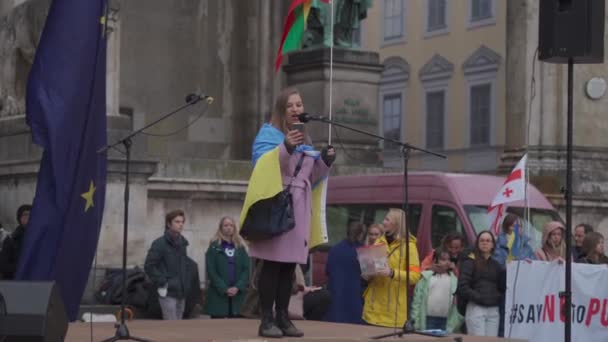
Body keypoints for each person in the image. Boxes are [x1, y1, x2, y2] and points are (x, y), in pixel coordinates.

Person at [241, 87, 335, 338]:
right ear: (282, 110)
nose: (296, 109)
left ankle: (283, 318)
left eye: (299, 105)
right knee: (271, 267)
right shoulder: (268, 136)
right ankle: (266, 319)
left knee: (288, 268)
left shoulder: (305, 141)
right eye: (291, 105)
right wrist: (285, 147)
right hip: (275, 208)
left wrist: (324, 162)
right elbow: (263, 167)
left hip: (298, 209)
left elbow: (309, 178)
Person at [362, 208, 421, 328]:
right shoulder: (378, 241)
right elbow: (367, 275)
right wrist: (367, 271)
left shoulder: (410, 246)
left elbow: (415, 276)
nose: (383, 222)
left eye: (387, 219)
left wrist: (392, 273)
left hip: (394, 314)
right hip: (371, 311)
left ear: (396, 223)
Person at [144, 209, 193, 320]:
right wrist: (163, 282)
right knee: (170, 325)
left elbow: (185, 266)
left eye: (182, 222)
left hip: (182, 292)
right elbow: (149, 266)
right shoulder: (159, 243)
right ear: (168, 224)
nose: (180, 224)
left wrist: (186, 283)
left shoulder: (183, 243)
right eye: (177, 222)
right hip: (168, 292)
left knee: (179, 326)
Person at [457, 231, 506, 337]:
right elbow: (463, 286)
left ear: (493, 244)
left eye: (488, 240)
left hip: (493, 311)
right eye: (482, 240)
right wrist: (479, 298)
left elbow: (502, 287)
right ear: (477, 243)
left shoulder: (497, 266)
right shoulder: (469, 262)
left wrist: (495, 298)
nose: (485, 243)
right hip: (476, 309)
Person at [205, 216, 250, 318]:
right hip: (218, 296)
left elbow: (246, 269)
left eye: (231, 225)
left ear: (234, 228)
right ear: (221, 228)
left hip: (238, 296)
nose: (228, 228)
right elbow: (211, 270)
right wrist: (224, 288)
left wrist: (237, 287)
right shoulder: (214, 247)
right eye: (225, 225)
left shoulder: (240, 247)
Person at [411, 248, 463, 333]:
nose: (446, 262)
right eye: (443, 259)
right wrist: (415, 320)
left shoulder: (454, 280)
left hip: (447, 321)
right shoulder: (426, 278)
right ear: (435, 261)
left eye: (449, 260)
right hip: (428, 319)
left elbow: (458, 302)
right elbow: (417, 301)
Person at [324, 221, 365, 324]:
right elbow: (367, 276)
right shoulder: (363, 251)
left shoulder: (334, 249)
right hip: (354, 298)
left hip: (335, 296)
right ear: (361, 234)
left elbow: (328, 271)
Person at [0, 204, 31, 279]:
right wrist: (21, 266)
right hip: (16, 282)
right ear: (19, 218)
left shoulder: (40, 239)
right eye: (25, 215)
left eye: (31, 214)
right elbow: (3, 266)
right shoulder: (11, 240)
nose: (28, 217)